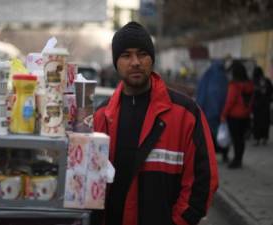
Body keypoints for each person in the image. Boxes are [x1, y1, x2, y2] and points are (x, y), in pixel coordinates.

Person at [93, 21, 218, 225]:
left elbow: (203, 182)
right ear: (116, 62)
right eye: (126, 55)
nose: (135, 62)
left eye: (142, 54)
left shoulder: (186, 114)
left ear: (152, 58)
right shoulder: (100, 117)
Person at [221, 61, 254, 169]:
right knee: (241, 139)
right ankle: (239, 158)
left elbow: (230, 101)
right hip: (245, 116)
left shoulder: (234, 85)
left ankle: (236, 160)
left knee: (236, 139)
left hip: (234, 116)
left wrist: (223, 115)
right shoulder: (249, 84)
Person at [196, 59, 229, 162]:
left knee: (210, 135)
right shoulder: (224, 79)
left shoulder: (207, 76)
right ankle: (224, 154)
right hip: (222, 113)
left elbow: (201, 94)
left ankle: (211, 155)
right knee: (223, 133)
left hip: (209, 113)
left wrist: (199, 108)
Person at [251, 66, 273, 145]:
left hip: (257, 106)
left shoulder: (254, 81)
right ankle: (264, 138)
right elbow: (271, 92)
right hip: (265, 105)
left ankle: (257, 139)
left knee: (257, 123)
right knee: (265, 122)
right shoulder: (266, 80)